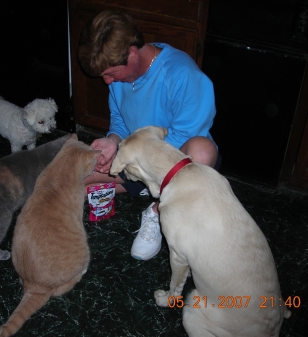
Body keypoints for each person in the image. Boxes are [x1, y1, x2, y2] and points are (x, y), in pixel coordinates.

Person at [77, 10, 220, 260]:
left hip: (177, 161)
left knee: (203, 151)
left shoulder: (183, 75)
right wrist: (112, 142)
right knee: (76, 176)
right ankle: (147, 188)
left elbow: (183, 136)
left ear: (132, 53)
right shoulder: (120, 79)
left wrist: (134, 162)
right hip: (135, 159)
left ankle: (156, 211)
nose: (108, 82)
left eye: (110, 73)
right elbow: (120, 121)